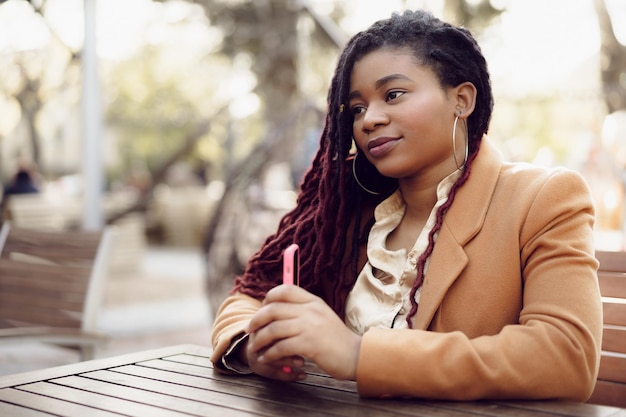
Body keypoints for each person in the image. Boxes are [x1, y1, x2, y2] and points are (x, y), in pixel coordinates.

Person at [210, 9, 602, 402]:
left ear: (461, 100)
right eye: (358, 108)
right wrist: (255, 345)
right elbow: (247, 298)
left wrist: (358, 355)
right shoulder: (345, 204)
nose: (369, 120)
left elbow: (566, 356)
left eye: (393, 95)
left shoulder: (542, 199)